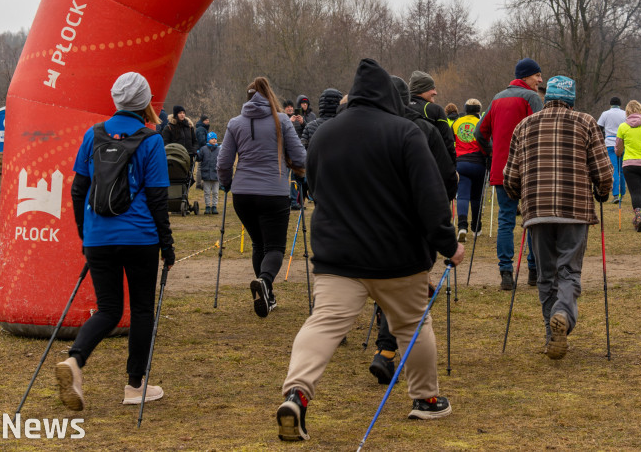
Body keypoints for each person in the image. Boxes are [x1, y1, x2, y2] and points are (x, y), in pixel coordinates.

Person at [277, 59, 463, 441]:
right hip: (398, 257)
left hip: (337, 256)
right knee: (413, 325)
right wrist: (448, 245)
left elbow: (314, 187)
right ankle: (426, 400)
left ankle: (296, 392)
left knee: (323, 324)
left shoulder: (325, 134)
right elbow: (430, 197)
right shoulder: (406, 133)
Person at [57, 71, 175, 412]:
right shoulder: (151, 140)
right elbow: (157, 198)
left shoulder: (92, 135)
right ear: (145, 103)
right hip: (140, 237)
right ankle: (135, 386)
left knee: (108, 309)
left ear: (116, 100)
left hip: (98, 237)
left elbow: (78, 189)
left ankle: (76, 362)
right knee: (140, 310)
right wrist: (167, 245)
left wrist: (85, 234)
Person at [502, 75, 612, 360]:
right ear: (572, 99)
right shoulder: (586, 122)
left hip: (537, 211)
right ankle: (562, 314)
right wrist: (602, 191)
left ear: (546, 96)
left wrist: (518, 194)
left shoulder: (524, 126)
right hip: (574, 211)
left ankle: (552, 333)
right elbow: (603, 170)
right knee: (569, 272)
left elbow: (510, 176)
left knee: (546, 276)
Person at [366, 76, 458, 384]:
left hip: (379, 216)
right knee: (405, 283)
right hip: (416, 217)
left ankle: (387, 349)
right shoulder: (423, 127)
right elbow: (447, 174)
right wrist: (439, 211)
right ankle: (388, 352)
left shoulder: (376, 127)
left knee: (389, 278)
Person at [218, 77, 307, 318]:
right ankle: (265, 282)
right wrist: (300, 170)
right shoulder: (281, 121)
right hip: (273, 193)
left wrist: (226, 183)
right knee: (275, 247)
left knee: (259, 243)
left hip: (243, 194)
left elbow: (223, 162)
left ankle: (267, 295)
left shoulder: (235, 123)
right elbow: (299, 157)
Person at [475, 58, 543, 290]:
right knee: (532, 220)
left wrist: (492, 153)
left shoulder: (496, 98)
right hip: (528, 168)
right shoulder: (532, 98)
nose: (540, 80)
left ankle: (506, 273)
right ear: (525, 77)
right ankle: (534, 271)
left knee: (505, 219)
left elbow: (479, 133)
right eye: (537, 75)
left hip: (501, 170)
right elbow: (541, 129)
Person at [453, 99, 488, 240]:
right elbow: (485, 141)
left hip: (461, 162)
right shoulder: (480, 123)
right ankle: (476, 227)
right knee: (476, 196)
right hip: (478, 163)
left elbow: (451, 141)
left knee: (462, 195)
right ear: (478, 110)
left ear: (465, 109)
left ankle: (462, 227)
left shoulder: (456, 123)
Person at [409, 70, 456, 166]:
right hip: (430, 167)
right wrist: (452, 169)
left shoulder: (400, 107)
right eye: (432, 88)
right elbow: (448, 141)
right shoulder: (434, 109)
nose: (436, 92)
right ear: (421, 89)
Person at [615, 100, 641, 231]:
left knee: (635, 192)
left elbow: (618, 149)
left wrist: (619, 152)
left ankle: (638, 217)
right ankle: (639, 217)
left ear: (627, 112)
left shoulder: (623, 127)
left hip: (629, 164)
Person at [596, 97, 626, 203]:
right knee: (622, 170)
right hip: (622, 144)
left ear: (610, 104)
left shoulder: (605, 114)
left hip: (610, 143)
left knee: (614, 170)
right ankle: (622, 193)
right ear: (620, 104)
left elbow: (598, 128)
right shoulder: (625, 113)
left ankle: (616, 195)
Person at [197, 132, 221, 214]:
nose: (214, 140)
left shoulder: (219, 149)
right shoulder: (203, 149)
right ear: (208, 140)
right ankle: (207, 206)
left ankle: (214, 206)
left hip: (216, 174)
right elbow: (199, 159)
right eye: (212, 138)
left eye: (215, 138)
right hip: (206, 174)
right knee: (207, 192)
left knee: (215, 192)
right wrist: (197, 154)